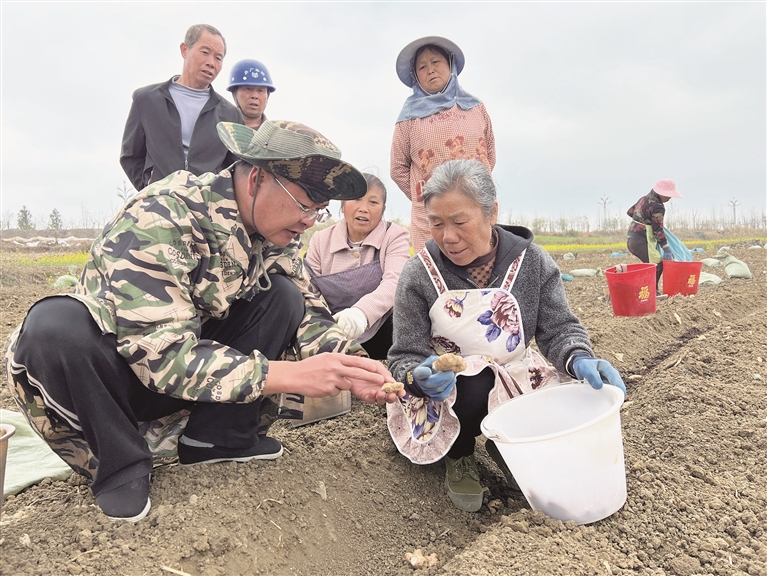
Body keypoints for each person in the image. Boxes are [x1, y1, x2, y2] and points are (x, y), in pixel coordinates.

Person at [5, 120, 403, 523]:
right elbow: (160, 356)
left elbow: (310, 309)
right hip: (117, 378)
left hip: (194, 373)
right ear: (258, 180)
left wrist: (354, 367)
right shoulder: (164, 215)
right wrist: (290, 375)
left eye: (319, 210)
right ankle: (120, 466)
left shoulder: (274, 233)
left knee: (284, 295)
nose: (310, 220)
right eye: (305, 205)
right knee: (56, 325)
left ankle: (216, 438)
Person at [386, 159, 625, 512]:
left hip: (514, 373)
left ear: (492, 212)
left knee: (560, 394)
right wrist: (418, 375)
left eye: (459, 222)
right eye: (436, 223)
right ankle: (459, 451)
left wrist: (578, 357)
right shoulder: (419, 274)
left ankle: (509, 442)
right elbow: (404, 353)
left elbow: (559, 328)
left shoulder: (532, 263)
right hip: (451, 389)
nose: (448, 236)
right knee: (473, 382)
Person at [390, 35, 496, 254]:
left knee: (480, 263)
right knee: (434, 268)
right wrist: (431, 199)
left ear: (450, 65)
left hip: (475, 207)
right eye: (422, 67)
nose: (430, 70)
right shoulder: (408, 119)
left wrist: (466, 192)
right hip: (431, 216)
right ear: (415, 76)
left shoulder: (476, 108)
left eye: (436, 62)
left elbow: (490, 155)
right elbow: (398, 168)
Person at [120, 23, 243, 191]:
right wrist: (150, 188)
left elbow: (237, 168)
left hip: (208, 202)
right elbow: (131, 156)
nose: (211, 63)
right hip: (159, 201)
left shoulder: (231, 115)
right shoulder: (146, 100)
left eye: (218, 58)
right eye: (205, 52)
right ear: (184, 50)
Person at [303, 174, 411, 359]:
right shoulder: (320, 240)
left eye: (373, 202)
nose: (364, 208)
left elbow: (395, 283)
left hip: (384, 329)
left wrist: (361, 314)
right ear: (343, 205)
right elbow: (306, 289)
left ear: (383, 209)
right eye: (356, 199)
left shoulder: (394, 235)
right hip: (337, 330)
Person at [626, 179, 683, 291]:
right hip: (641, 240)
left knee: (651, 265)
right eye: (668, 195)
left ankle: (648, 290)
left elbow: (630, 212)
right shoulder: (658, 206)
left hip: (632, 239)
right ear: (661, 193)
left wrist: (642, 220)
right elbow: (658, 230)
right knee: (656, 264)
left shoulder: (643, 199)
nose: (670, 198)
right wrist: (666, 247)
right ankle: (650, 291)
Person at [227, 59, 275, 130]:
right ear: (235, 93)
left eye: (260, 90)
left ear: (267, 95)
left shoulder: (277, 134)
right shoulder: (220, 128)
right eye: (248, 89)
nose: (254, 96)